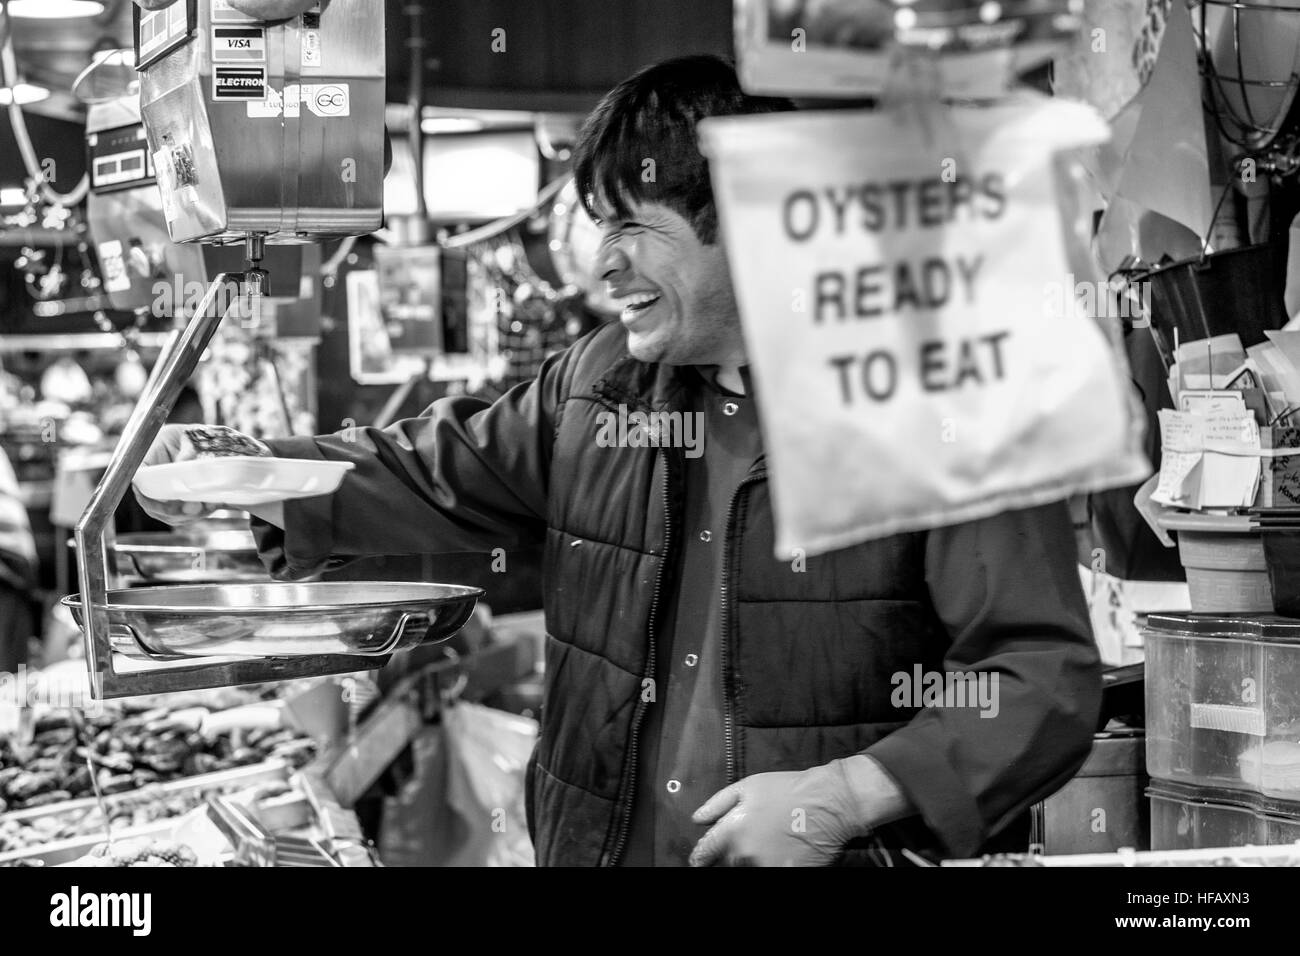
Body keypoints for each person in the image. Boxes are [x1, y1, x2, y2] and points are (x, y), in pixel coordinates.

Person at [138, 55, 1102, 867]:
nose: (605, 266)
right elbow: (441, 470)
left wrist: (849, 793)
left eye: (636, 228)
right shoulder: (599, 386)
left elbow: (1038, 674)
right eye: (602, 227)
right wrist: (254, 475)